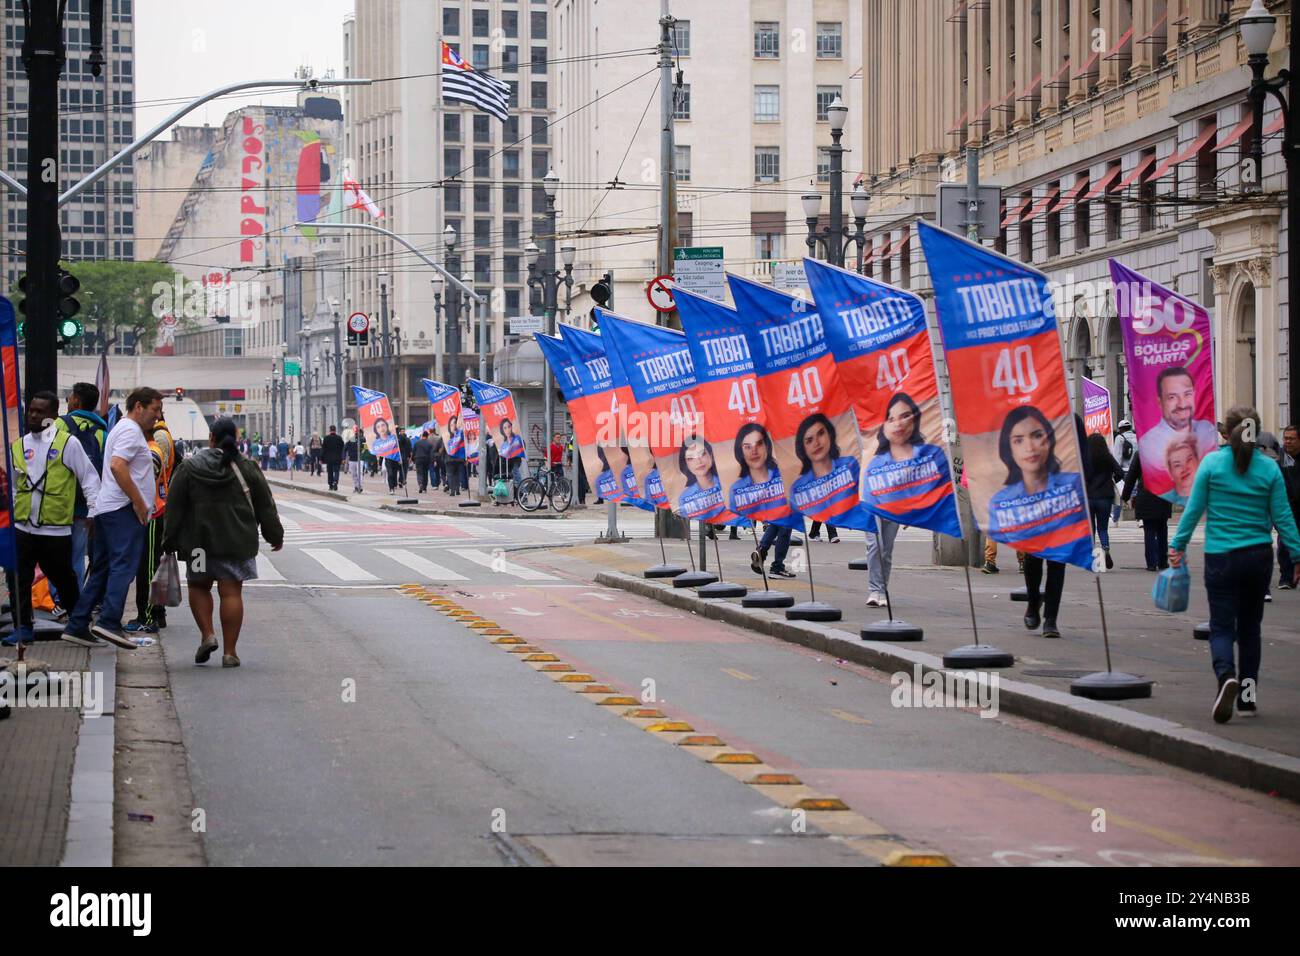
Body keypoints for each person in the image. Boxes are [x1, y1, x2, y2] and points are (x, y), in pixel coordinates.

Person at [1169, 406, 1300, 723]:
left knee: (1222, 626)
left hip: (1221, 557)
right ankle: (1247, 698)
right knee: (1251, 631)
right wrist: (1296, 556)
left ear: (1225, 434)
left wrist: (1177, 546)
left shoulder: (1212, 464)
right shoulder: (1269, 469)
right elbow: (1284, 518)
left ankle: (1226, 674)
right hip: (1257, 558)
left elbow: (1193, 509)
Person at [163, 417, 284, 668]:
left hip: (197, 544)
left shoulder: (189, 468)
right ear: (236, 439)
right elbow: (265, 505)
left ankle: (208, 635)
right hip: (236, 541)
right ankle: (230, 652)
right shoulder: (248, 468)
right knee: (231, 592)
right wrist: (275, 535)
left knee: (198, 587)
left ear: (211, 439)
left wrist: (169, 539)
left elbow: (174, 507)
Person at [62, 387, 165, 650]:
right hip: (123, 510)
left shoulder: (121, 428)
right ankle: (109, 621)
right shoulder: (130, 431)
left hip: (109, 508)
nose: (158, 416)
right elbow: (118, 465)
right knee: (124, 565)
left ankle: (78, 624)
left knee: (103, 569)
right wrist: (140, 503)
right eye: (154, 409)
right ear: (139, 406)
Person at [5, 392, 102, 646]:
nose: (34, 415)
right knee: (18, 578)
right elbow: (15, 486)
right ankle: (23, 627)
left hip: (54, 529)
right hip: (23, 526)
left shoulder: (68, 443)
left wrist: (93, 512)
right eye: (32, 411)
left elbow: (89, 478)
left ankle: (78, 624)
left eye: (40, 412)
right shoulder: (18, 445)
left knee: (65, 580)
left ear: (53, 416)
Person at [1136, 366, 1218, 499]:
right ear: (1160, 402)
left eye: (1187, 394)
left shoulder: (1207, 430)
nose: (1182, 404)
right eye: (1172, 397)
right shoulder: (1149, 445)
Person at [126, 416, 176, 635]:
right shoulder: (152, 443)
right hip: (152, 509)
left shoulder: (155, 445)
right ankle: (156, 613)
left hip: (153, 511)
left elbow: (147, 478)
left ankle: (147, 617)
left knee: (147, 567)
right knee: (150, 565)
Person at [789, 413, 861, 524]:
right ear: (803, 448)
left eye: (821, 433)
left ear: (830, 434)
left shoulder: (850, 465)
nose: (816, 443)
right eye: (809, 440)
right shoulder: (797, 488)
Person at [1121, 450, 1172, 572]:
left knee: (1149, 529)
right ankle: (1163, 561)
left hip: (1146, 495)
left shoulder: (1141, 453)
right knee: (1162, 528)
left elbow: (1131, 476)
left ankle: (1151, 563)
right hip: (1163, 494)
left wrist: (1125, 495)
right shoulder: (1166, 452)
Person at [1086, 432, 1125, 570]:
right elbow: (1120, 472)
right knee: (1103, 527)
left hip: (1089, 498)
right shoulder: (1107, 457)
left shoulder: (1085, 459)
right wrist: (1112, 479)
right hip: (1105, 497)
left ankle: (1091, 555)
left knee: (1091, 528)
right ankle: (1106, 548)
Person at [1276, 426, 1300, 589]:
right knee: (1285, 541)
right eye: (1285, 438)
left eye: (1291, 438)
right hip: (1287, 507)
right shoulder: (1281, 461)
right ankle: (1286, 577)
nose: (1287, 441)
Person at [1111, 419, 1137, 522]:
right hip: (1136, 470)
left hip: (1124, 470)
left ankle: (1116, 518)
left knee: (1120, 495)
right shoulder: (1137, 437)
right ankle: (1138, 518)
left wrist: (1115, 471)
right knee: (1135, 494)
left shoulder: (1120, 438)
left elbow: (1117, 456)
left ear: (1120, 429)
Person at [321, 425, 344, 491]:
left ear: (330, 430)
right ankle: (335, 481)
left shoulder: (326, 438)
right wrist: (342, 457)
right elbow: (342, 447)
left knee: (330, 472)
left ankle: (330, 485)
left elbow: (323, 449)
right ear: (335, 430)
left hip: (329, 458)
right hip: (337, 458)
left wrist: (321, 458)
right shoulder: (339, 438)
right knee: (336, 471)